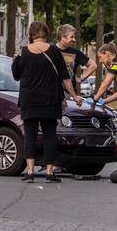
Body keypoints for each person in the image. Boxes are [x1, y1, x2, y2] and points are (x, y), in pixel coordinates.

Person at [11, 21, 83, 183]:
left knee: (29, 135)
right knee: (50, 135)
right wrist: (74, 95)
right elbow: (65, 77)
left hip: (29, 99)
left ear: (31, 34)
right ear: (47, 34)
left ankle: (29, 172)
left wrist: (16, 60)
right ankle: (50, 172)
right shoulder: (54, 52)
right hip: (50, 99)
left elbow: (16, 75)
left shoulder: (23, 52)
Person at [55, 24, 96, 95]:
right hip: (52, 93)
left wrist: (81, 78)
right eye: (71, 37)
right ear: (62, 37)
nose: (74, 40)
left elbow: (93, 65)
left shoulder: (75, 52)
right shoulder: (51, 50)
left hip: (69, 94)